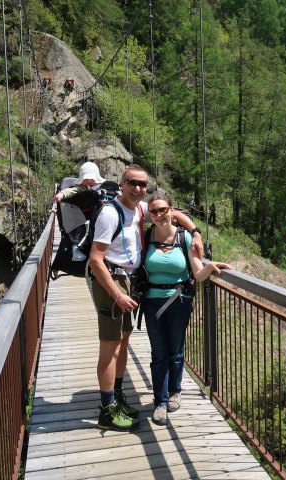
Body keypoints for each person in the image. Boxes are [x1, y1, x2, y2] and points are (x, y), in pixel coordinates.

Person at [87, 165, 204, 431]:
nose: (139, 189)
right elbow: (95, 260)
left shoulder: (139, 209)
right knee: (109, 346)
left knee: (122, 342)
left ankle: (116, 398)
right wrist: (116, 294)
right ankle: (106, 409)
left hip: (129, 281)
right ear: (122, 183)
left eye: (143, 184)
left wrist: (195, 232)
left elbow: (174, 213)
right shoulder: (110, 213)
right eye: (133, 183)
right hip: (112, 281)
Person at [143, 191, 232, 426]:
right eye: (154, 211)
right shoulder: (146, 236)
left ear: (172, 210)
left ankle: (175, 391)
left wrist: (209, 266)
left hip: (179, 301)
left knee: (176, 350)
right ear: (149, 214)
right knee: (158, 353)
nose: (160, 214)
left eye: (164, 209)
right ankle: (160, 402)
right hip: (152, 302)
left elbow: (197, 274)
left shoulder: (185, 239)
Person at [52, 161, 104, 261]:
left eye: (92, 179)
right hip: (79, 219)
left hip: (95, 218)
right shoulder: (79, 188)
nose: (89, 182)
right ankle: (75, 249)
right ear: (81, 180)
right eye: (86, 179)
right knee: (82, 228)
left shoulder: (100, 189)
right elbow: (69, 191)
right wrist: (61, 195)